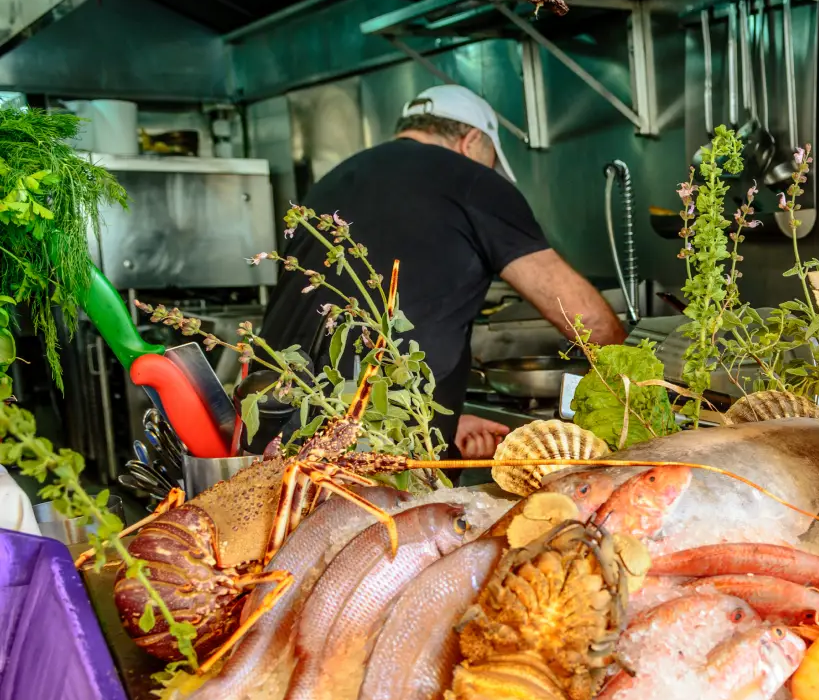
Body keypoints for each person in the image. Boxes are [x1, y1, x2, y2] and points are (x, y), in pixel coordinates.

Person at [259, 84, 625, 458]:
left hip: (272, 425)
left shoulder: (334, 180)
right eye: (491, 159)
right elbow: (586, 321)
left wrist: (448, 420)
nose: (490, 170)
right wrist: (635, 390)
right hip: (371, 450)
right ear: (471, 141)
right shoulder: (471, 179)